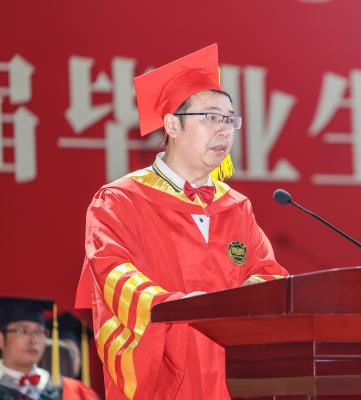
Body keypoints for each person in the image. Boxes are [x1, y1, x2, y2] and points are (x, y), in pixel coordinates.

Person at [75, 43, 288, 400]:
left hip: (231, 377)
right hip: (166, 374)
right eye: (210, 118)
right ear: (172, 125)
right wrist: (183, 306)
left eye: (230, 120)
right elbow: (114, 274)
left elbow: (268, 273)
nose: (224, 130)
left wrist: (247, 297)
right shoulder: (120, 200)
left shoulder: (236, 206)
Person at [0, 297, 97, 399]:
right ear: (1, 339)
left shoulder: (72, 390)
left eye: (39, 331)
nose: (34, 340)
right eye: (23, 331)